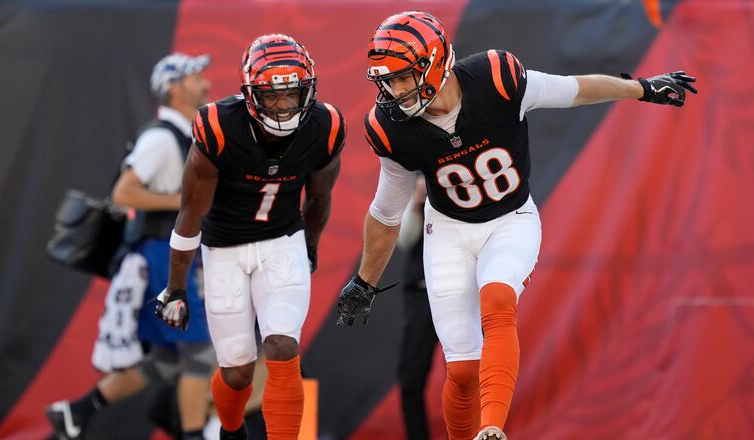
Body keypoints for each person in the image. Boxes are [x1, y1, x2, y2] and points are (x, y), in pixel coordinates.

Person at [336, 10, 697, 440]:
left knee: (498, 302)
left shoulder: (496, 78)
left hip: (510, 219)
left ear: (434, 63)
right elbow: (386, 213)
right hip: (448, 232)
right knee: (464, 370)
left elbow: (575, 90)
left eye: (402, 77)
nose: (393, 91)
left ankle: (491, 429)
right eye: (387, 81)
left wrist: (641, 88)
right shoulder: (389, 127)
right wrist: (364, 280)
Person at [153, 34, 345, 440]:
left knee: (281, 347)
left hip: (282, 240)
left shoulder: (325, 126)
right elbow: (191, 214)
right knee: (237, 372)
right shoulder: (218, 127)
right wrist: (175, 288)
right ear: (250, 95)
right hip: (224, 247)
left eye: (292, 93)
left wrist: (309, 246)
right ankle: (230, 429)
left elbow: (320, 198)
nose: (283, 104)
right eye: (271, 96)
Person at [46, 53, 216, 440]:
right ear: (174, 89)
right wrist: (186, 202)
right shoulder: (160, 138)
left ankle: (77, 412)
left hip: (174, 254)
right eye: (194, 77)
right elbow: (124, 192)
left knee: (172, 360)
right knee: (199, 353)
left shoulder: (184, 134)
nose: (204, 83)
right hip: (162, 255)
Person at [396, 176, 439, 440]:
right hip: (422, 294)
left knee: (468, 374)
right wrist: (416, 202)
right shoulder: (415, 198)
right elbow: (405, 240)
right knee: (410, 376)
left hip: (459, 293)